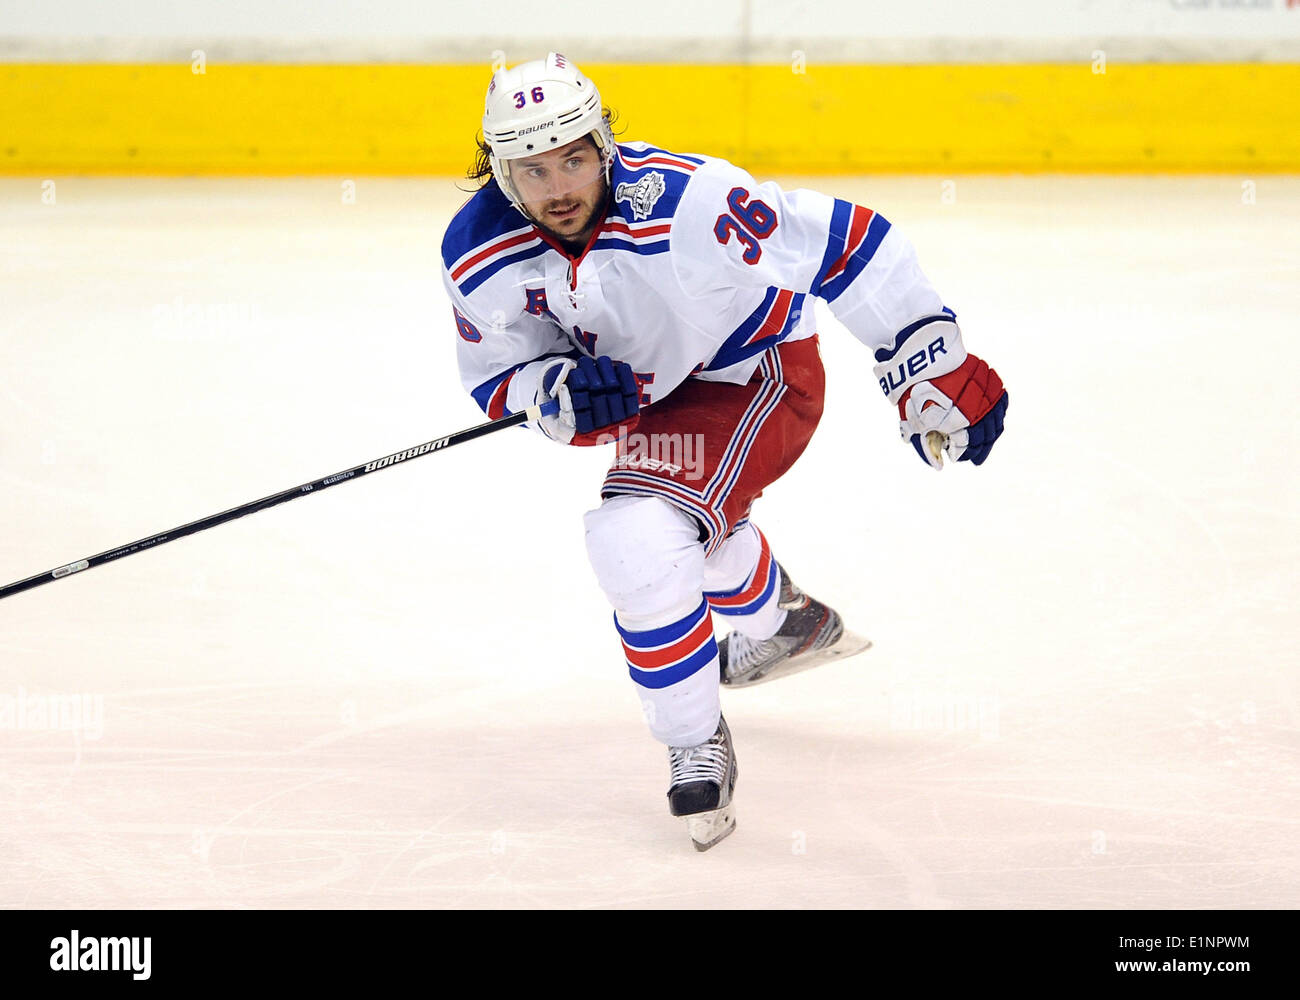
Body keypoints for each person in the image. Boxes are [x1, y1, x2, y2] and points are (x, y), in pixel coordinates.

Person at [440, 53, 1008, 851]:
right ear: (499, 172)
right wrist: (557, 392)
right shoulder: (475, 252)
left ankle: (692, 741)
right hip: (664, 397)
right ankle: (783, 620)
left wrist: (924, 355)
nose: (559, 186)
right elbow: (503, 373)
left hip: (757, 368)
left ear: (604, 144)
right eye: (532, 170)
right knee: (683, 534)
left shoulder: (688, 203)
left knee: (637, 536)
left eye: (574, 157)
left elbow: (845, 244)